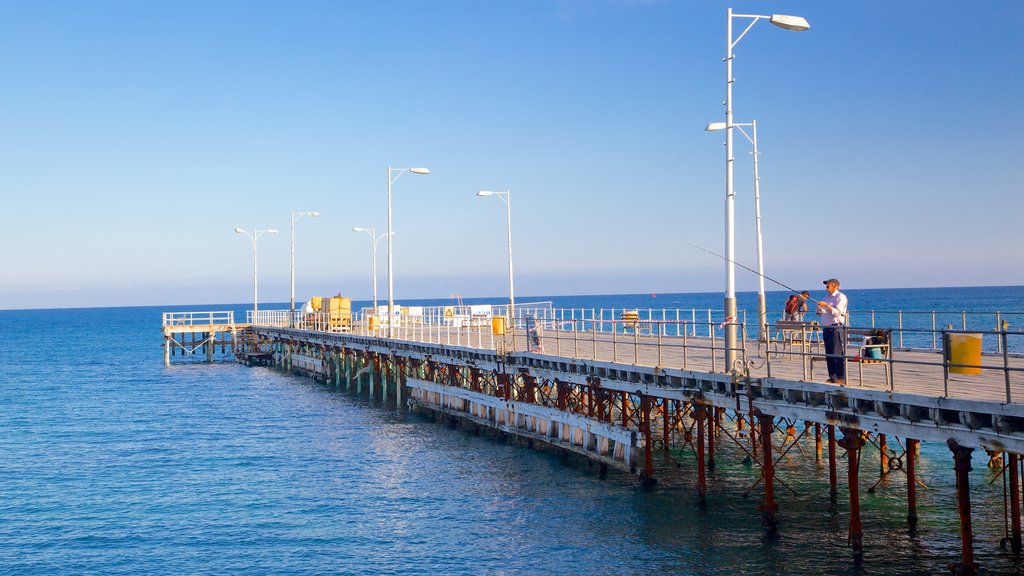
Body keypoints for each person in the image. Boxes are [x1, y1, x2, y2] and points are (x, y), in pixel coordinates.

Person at [816, 278, 849, 385]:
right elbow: (823, 313)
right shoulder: (827, 298)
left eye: (828, 285)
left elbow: (837, 313)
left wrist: (826, 306)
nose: (826, 287)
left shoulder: (840, 297)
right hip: (826, 328)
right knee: (829, 354)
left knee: (837, 353)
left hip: (836, 327)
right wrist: (820, 310)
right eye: (826, 285)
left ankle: (841, 377)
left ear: (835, 286)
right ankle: (832, 377)